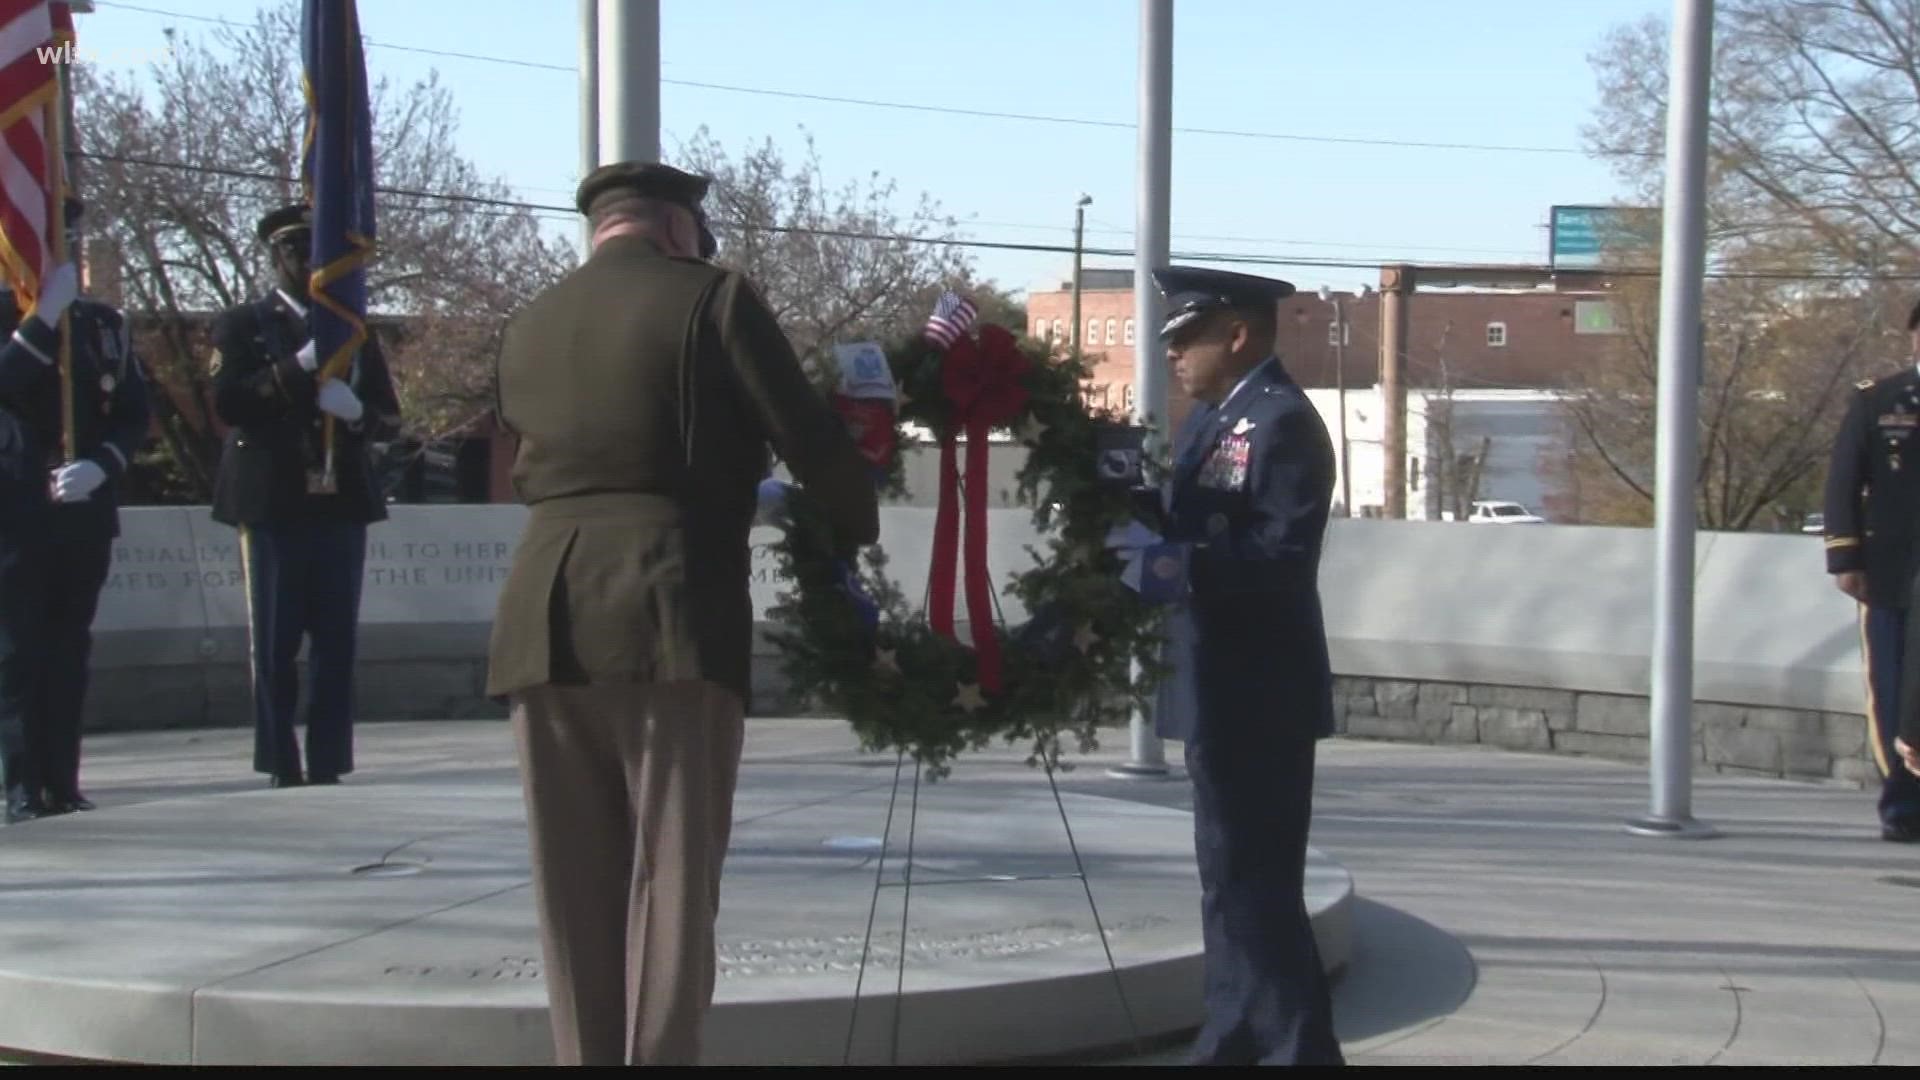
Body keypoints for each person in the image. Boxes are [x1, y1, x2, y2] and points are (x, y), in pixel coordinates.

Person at [486, 160, 878, 1066]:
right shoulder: (715, 299)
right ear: (676, 230)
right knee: (672, 879)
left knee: (572, 885)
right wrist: (849, 517)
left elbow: (532, 463)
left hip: (543, 613)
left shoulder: (528, 323)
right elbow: (808, 436)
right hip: (671, 606)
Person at [1150, 264, 1344, 1066]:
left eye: (1188, 339)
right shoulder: (1208, 420)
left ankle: (1295, 1052)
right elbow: (1179, 518)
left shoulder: (1283, 421)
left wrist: (1170, 560)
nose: (1173, 357)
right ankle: (1233, 1035)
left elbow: (1280, 555)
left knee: (1258, 881)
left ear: (1237, 334)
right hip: (1212, 676)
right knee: (1227, 878)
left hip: (1259, 686)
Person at [208, 202, 401, 789]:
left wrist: (357, 412)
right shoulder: (242, 325)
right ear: (275, 258)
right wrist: (297, 368)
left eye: (315, 253)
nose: (307, 265)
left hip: (339, 499)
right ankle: (279, 760)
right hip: (272, 501)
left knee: (335, 641)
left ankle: (328, 759)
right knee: (275, 641)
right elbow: (229, 402)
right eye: (295, 253)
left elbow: (389, 420)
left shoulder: (353, 329)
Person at [0, 198, 152, 823]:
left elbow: (134, 413)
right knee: (15, 654)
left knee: (68, 651)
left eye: (64, 236)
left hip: (82, 513)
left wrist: (103, 466)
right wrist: (41, 323)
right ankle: (16, 784)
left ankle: (62, 781)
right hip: (13, 516)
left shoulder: (103, 325)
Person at [1822, 297, 1920, 841]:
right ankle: (1904, 803)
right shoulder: (1878, 400)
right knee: (1894, 686)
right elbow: (1843, 482)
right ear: (1912, 336)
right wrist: (1845, 556)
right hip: (1894, 571)